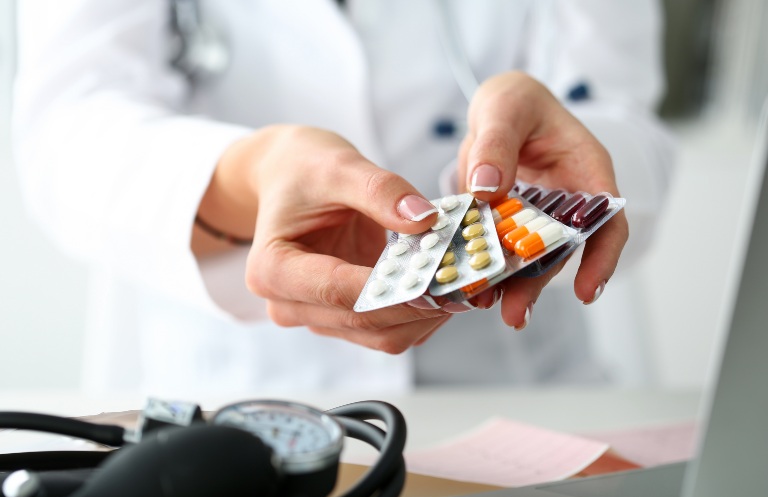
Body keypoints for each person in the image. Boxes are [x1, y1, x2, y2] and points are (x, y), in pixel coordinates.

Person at [13, 0, 672, 398]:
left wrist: (550, 180)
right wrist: (251, 176)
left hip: (516, 389)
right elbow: (68, 127)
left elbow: (618, 107)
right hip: (236, 394)